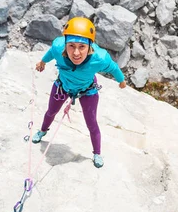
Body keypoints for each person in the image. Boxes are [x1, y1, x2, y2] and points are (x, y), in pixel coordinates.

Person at [33, 17, 126, 168]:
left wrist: (121, 81)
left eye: (81, 47)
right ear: (65, 44)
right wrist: (42, 62)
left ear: (90, 46)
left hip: (87, 91)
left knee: (91, 123)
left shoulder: (100, 58)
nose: (76, 53)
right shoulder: (58, 47)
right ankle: (42, 131)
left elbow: (114, 68)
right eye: (71, 46)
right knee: (51, 112)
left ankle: (97, 153)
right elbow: (51, 53)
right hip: (63, 86)